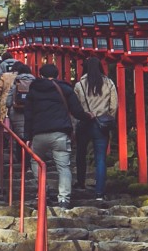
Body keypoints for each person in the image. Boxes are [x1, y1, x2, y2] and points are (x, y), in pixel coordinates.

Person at [23, 63, 89, 207]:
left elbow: (28, 115)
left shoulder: (33, 90)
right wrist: (88, 117)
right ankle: (64, 198)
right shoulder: (65, 89)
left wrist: (27, 136)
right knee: (63, 167)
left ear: (40, 75)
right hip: (60, 132)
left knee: (36, 162)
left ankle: (43, 191)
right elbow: (76, 111)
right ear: (57, 75)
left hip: (38, 132)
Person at [73, 58, 119, 199]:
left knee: (81, 153)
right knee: (100, 158)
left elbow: (76, 107)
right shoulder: (109, 83)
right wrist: (108, 118)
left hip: (84, 123)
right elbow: (114, 104)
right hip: (101, 124)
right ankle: (99, 191)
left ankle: (81, 182)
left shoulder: (79, 85)